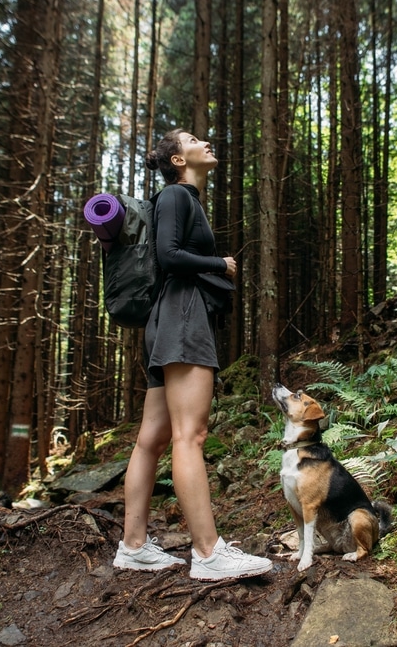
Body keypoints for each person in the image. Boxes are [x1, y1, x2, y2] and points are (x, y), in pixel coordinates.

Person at [112, 129, 273, 581]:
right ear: (178, 160)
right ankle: (207, 553)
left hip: (167, 321)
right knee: (191, 435)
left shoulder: (181, 198)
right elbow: (169, 255)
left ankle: (133, 545)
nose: (206, 142)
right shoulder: (177, 196)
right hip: (182, 316)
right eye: (194, 139)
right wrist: (218, 264)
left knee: (152, 439)